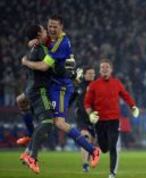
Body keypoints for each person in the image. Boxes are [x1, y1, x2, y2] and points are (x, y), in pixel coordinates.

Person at [21, 15, 101, 169]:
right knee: (25, 102)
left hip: (61, 87)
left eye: (55, 27)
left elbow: (44, 66)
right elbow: (40, 40)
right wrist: (32, 42)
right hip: (51, 84)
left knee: (58, 122)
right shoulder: (51, 39)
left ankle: (92, 150)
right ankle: (30, 144)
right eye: (49, 26)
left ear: (61, 27)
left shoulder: (60, 44)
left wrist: (25, 62)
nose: (51, 29)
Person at [84, 58, 139, 178]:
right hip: (99, 120)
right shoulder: (94, 85)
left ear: (111, 70)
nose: (104, 69)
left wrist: (133, 106)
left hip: (114, 120)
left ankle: (112, 173)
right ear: (100, 70)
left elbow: (125, 95)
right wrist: (90, 114)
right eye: (102, 67)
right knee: (104, 148)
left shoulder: (117, 83)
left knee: (113, 146)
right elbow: (87, 103)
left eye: (107, 67)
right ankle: (99, 150)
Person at [19, 24, 54, 173]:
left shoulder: (32, 48)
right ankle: (32, 155)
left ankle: (28, 147)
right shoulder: (41, 49)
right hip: (40, 91)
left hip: (32, 89)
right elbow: (44, 66)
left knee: (44, 122)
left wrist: (25, 61)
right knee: (47, 122)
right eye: (44, 30)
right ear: (39, 34)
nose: (47, 31)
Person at [72, 67, 96, 172]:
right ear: (85, 75)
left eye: (93, 74)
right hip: (82, 117)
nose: (91, 75)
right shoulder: (79, 86)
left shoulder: (97, 86)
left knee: (91, 141)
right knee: (85, 137)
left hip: (93, 117)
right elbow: (73, 98)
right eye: (89, 73)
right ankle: (85, 165)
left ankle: (90, 159)